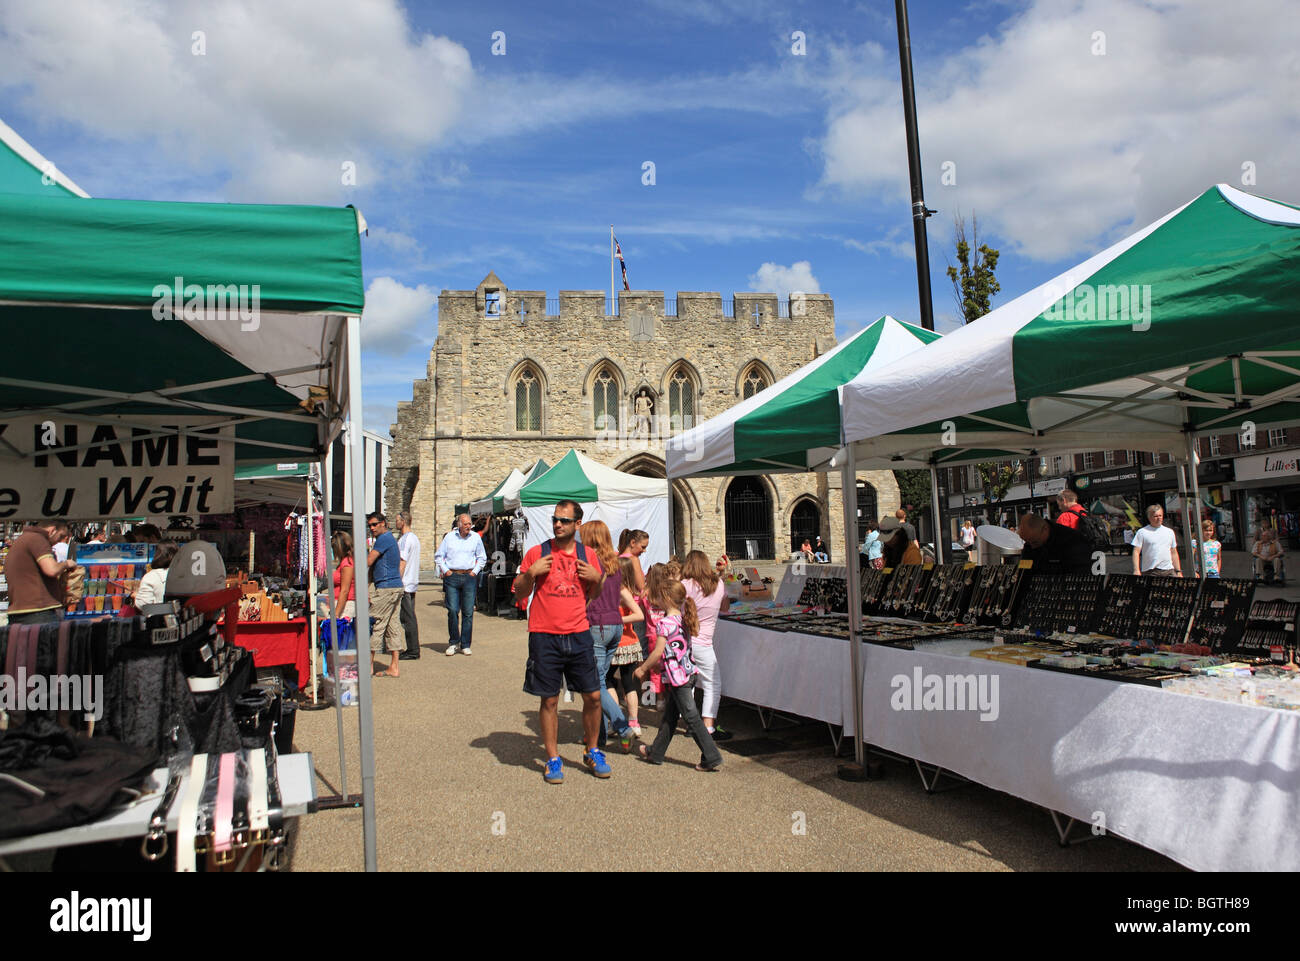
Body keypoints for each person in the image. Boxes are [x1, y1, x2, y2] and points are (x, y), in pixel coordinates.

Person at [514, 499, 608, 784]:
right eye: (555, 519)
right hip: (545, 635)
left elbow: (595, 593)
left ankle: (592, 750)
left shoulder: (587, 554)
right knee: (550, 700)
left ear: (577, 524)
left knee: (593, 696)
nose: (558, 524)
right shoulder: (536, 553)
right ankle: (553, 758)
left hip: (579, 633)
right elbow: (518, 593)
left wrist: (599, 578)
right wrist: (530, 574)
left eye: (564, 520)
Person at [633, 577, 723, 772]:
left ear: (666, 597)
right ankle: (655, 752)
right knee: (670, 716)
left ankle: (711, 756)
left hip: (678, 677)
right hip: (687, 673)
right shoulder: (683, 618)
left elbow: (658, 651)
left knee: (691, 717)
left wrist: (643, 668)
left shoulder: (665, 623)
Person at [580, 520, 643, 751]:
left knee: (595, 684)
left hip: (597, 627)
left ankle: (622, 725)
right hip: (614, 627)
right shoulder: (616, 564)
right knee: (602, 681)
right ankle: (600, 736)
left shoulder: (589, 563)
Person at [681, 549, 731, 741]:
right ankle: (708, 725)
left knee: (687, 682)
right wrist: (720, 577)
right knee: (712, 683)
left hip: (685, 640)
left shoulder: (684, 585)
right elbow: (725, 608)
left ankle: (688, 721)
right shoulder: (718, 584)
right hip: (704, 642)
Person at [434, 513, 487, 655]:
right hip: (452, 576)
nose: (468, 526)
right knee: (452, 610)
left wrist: (474, 572)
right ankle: (453, 642)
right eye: (465, 524)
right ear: (459, 525)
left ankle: (465, 644)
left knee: (468, 612)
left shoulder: (475, 538)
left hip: (469, 576)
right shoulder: (449, 538)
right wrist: (446, 571)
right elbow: (439, 556)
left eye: (470, 524)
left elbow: (482, 557)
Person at [5, 521, 76, 624]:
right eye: (61, 536)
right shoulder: (38, 539)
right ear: (52, 530)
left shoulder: (22, 540)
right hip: (39, 611)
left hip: (19, 611)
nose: (60, 541)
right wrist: (66, 564)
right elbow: (51, 569)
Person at [610, 555, 648, 736]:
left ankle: (616, 719)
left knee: (610, 681)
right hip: (629, 642)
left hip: (619, 643)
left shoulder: (620, 591)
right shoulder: (629, 590)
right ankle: (633, 722)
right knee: (628, 683)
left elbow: (638, 615)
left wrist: (616, 619)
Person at [366, 512, 407, 677]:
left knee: (376, 624)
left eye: (375, 524)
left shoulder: (384, 539)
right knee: (392, 626)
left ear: (383, 523)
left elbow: (369, 561)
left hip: (387, 587)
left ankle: (367, 666)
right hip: (395, 586)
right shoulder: (389, 539)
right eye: (370, 525)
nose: (372, 528)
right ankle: (394, 666)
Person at [1016, 514, 1093, 574]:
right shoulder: (1029, 546)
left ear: (1045, 529)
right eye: (1026, 541)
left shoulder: (1071, 540)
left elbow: (1080, 571)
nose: (1032, 546)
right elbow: (1024, 570)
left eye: (1034, 541)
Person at [397, 511, 422, 660]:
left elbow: (402, 562)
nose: (396, 523)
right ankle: (412, 648)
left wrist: (397, 581)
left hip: (405, 583)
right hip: (410, 582)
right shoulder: (413, 538)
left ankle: (413, 650)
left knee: (407, 617)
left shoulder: (406, 539)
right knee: (407, 616)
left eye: (397, 520)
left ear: (403, 521)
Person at [1131, 504, 1182, 577]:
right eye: (1156, 516)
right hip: (1151, 571)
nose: (1159, 518)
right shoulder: (1142, 532)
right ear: (1149, 517)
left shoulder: (1169, 532)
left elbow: (1173, 552)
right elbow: (1136, 552)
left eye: (1160, 515)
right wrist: (1136, 570)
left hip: (1169, 570)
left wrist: (1178, 571)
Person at [133, 541, 178, 606]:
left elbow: (144, 605)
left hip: (158, 614)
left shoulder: (151, 577)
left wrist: (136, 597)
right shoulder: (183, 574)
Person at [330, 530, 357, 618]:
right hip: (343, 604)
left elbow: (345, 590)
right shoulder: (345, 562)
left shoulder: (347, 563)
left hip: (346, 606)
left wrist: (336, 613)